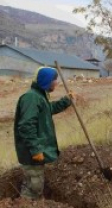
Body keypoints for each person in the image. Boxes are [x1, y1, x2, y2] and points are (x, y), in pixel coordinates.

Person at [14, 67, 73, 200]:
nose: (56, 83)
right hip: (31, 152)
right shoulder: (31, 98)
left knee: (34, 183)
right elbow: (25, 126)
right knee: (34, 187)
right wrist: (35, 150)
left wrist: (66, 101)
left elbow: (48, 109)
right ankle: (26, 203)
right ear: (46, 81)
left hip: (35, 150)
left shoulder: (39, 96)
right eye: (54, 80)